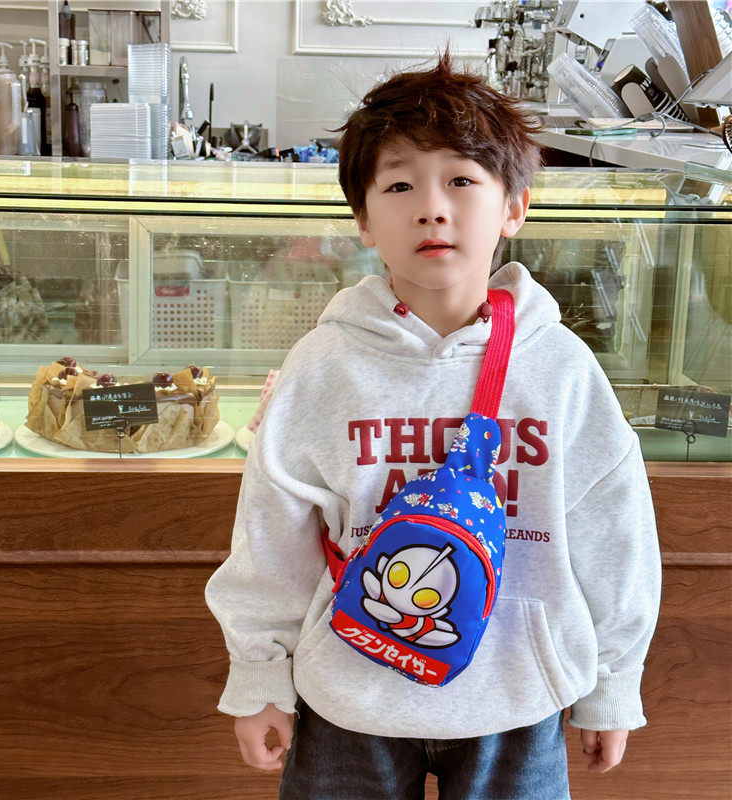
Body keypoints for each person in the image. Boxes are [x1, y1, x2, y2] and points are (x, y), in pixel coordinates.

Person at [205, 52, 661, 800]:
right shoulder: (324, 365)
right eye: (399, 184)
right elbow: (272, 530)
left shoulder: (561, 368)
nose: (431, 207)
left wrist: (613, 681)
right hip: (349, 688)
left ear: (514, 206)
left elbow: (615, 530)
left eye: (462, 180)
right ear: (362, 218)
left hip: (516, 694)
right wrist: (259, 673)